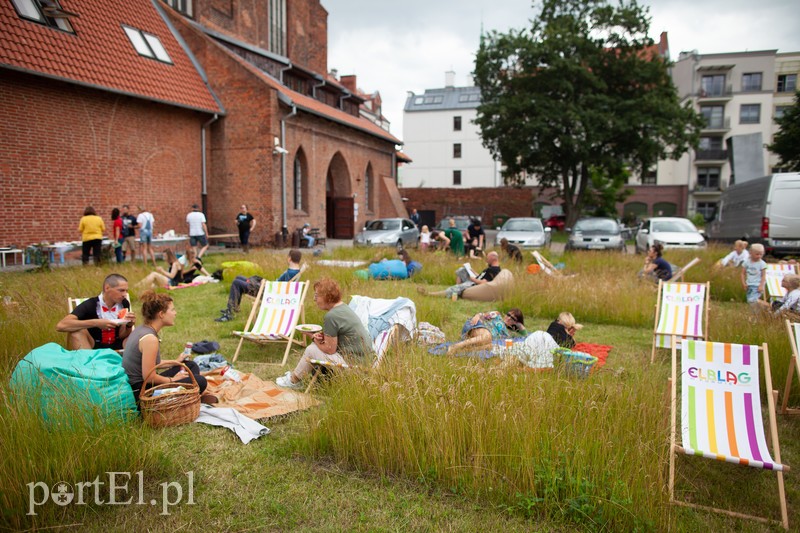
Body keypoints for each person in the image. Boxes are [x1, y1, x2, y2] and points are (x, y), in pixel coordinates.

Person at [276, 278, 373, 389]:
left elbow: (329, 349)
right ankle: (295, 378)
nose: (314, 299)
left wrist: (313, 337)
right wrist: (322, 337)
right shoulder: (343, 308)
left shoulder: (331, 316)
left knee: (311, 349)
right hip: (365, 362)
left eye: (317, 296)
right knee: (314, 347)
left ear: (327, 296)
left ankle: (293, 381)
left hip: (354, 367)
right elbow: (340, 336)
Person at [122, 291, 214, 405]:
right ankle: (192, 397)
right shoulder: (150, 339)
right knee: (200, 381)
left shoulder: (141, 329)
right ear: (161, 314)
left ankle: (193, 395)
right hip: (143, 393)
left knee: (190, 365)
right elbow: (150, 377)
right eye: (172, 310)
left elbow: (152, 364)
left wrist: (175, 362)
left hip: (143, 384)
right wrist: (173, 380)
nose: (175, 313)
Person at [215, 250, 302, 322]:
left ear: (289, 258)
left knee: (236, 282)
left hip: (267, 292)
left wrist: (266, 283)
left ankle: (230, 312)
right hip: (269, 288)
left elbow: (280, 288)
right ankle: (234, 308)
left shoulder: (290, 273)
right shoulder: (296, 271)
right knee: (239, 277)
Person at [56, 273, 135, 350]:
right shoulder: (90, 304)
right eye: (121, 290)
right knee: (76, 332)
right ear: (107, 288)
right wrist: (96, 323)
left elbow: (122, 335)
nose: (124, 294)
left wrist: (129, 325)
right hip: (93, 346)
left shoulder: (124, 303)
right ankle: (90, 362)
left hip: (118, 345)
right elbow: (61, 325)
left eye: (126, 291)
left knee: (141, 335)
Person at [418, 251, 502, 300]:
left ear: (493, 258)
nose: (486, 259)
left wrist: (473, 279)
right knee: (462, 270)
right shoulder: (491, 268)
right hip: (474, 280)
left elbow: (484, 282)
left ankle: (429, 294)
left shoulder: (494, 270)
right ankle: (457, 287)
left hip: (473, 284)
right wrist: (471, 270)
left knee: (453, 289)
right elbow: (481, 276)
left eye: (488, 258)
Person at [447, 308, 526, 354]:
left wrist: (519, 324)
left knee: (490, 346)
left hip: (483, 339)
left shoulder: (508, 335)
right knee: (487, 337)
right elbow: (483, 315)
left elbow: (525, 335)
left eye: (513, 318)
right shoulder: (497, 315)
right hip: (478, 325)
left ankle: (462, 351)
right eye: (508, 315)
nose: (508, 318)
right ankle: (454, 347)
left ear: (516, 322)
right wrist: (477, 315)